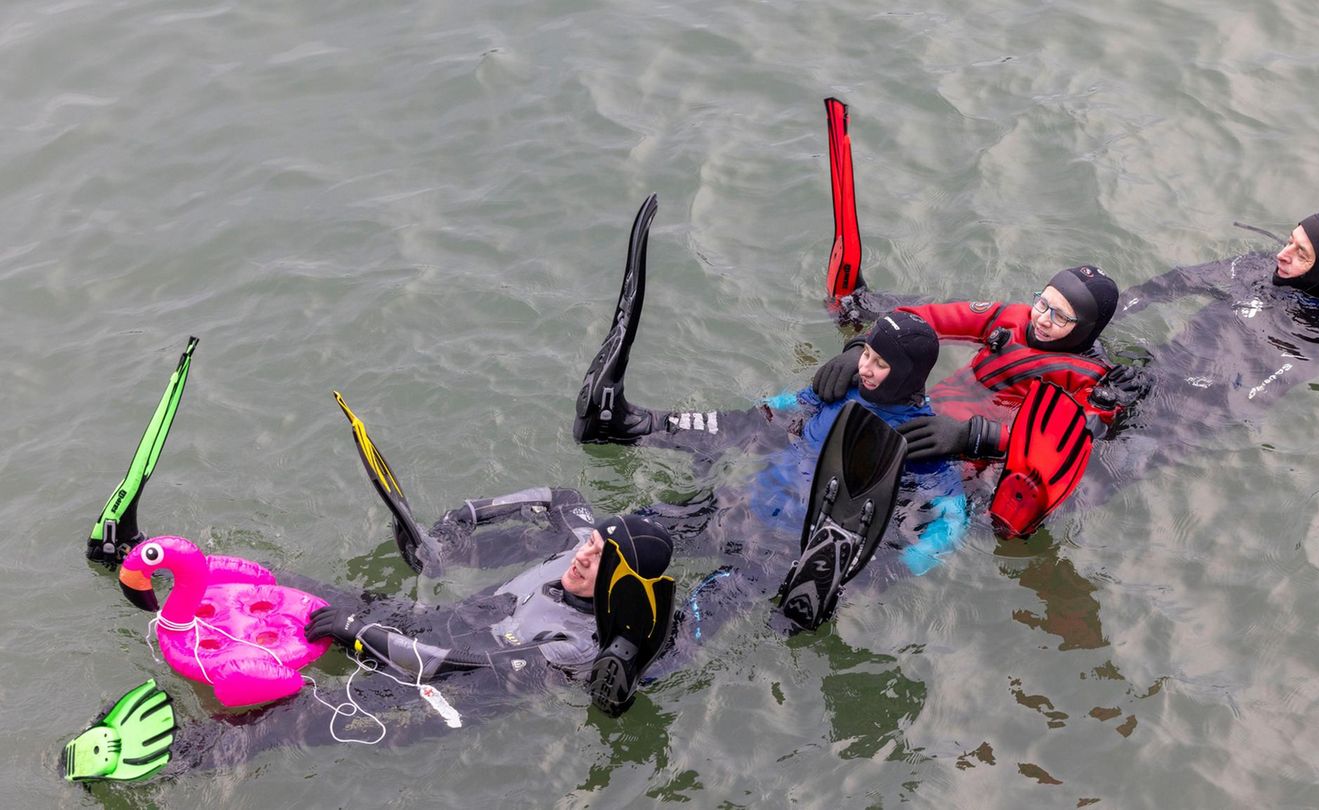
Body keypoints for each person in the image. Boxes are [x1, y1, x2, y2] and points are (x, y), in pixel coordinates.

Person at [67, 395, 678, 782]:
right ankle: (136, 556)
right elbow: (561, 500)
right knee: (299, 594)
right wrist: (458, 524)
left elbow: (458, 670)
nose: (583, 554)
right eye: (591, 542)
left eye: (601, 558)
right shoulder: (582, 537)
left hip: (444, 692)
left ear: (623, 586)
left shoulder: (576, 645)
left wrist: (361, 638)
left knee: (294, 717)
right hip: (433, 622)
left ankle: (170, 761)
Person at [572, 195, 969, 628]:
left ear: (909, 375)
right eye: (866, 354)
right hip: (736, 508)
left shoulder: (922, 436)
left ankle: (640, 665)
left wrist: (884, 572)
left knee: (705, 613)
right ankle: (628, 426)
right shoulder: (842, 386)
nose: (866, 368)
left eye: (879, 363)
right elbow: (770, 416)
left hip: (784, 553)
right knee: (620, 536)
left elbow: (950, 519)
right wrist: (778, 404)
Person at [813, 99, 1148, 537]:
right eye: (1042, 303)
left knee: (902, 520)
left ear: (1085, 330)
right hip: (915, 422)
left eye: (1060, 317)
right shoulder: (1007, 320)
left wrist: (975, 438)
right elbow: (921, 317)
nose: (1042, 319)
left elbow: (1068, 450)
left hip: (972, 462)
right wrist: (862, 345)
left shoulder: (1088, 380)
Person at [1068, 210, 1319, 511]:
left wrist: (1156, 391)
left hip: (1183, 419)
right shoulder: (1260, 266)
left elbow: (1253, 394)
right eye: (1290, 240)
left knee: (1085, 483)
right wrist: (1097, 320)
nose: (1282, 254)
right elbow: (1178, 281)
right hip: (1151, 369)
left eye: (1301, 253)